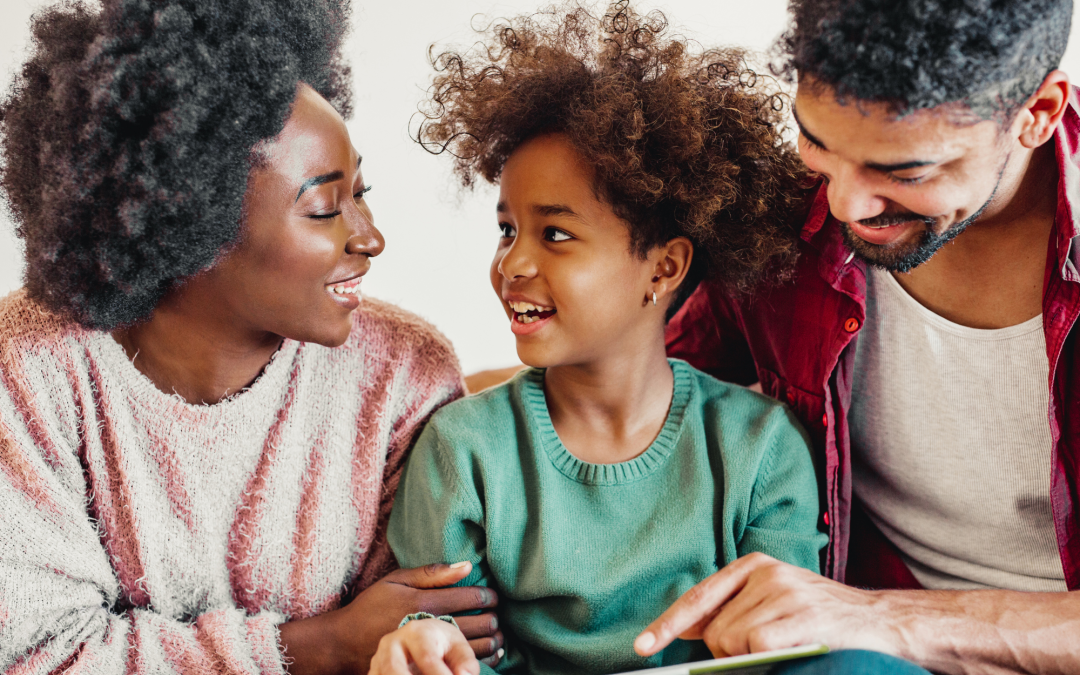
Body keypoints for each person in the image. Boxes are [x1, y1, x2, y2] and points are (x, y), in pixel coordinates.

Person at [364, 4, 919, 674]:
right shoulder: (463, 450)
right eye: (507, 229)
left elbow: (783, 647)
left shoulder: (761, 449)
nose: (513, 264)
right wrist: (424, 645)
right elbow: (448, 642)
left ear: (663, 267)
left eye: (556, 233)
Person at [0, 0, 502, 672]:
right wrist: (322, 643)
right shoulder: (31, 371)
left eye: (363, 191)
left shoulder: (402, 374)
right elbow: (40, 653)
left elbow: (419, 635)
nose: (370, 236)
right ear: (192, 225)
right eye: (326, 207)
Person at [635, 0, 1080, 673]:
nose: (844, 205)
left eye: (906, 172)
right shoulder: (787, 215)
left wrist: (878, 617)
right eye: (818, 142)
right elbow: (623, 393)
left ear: (1036, 115)